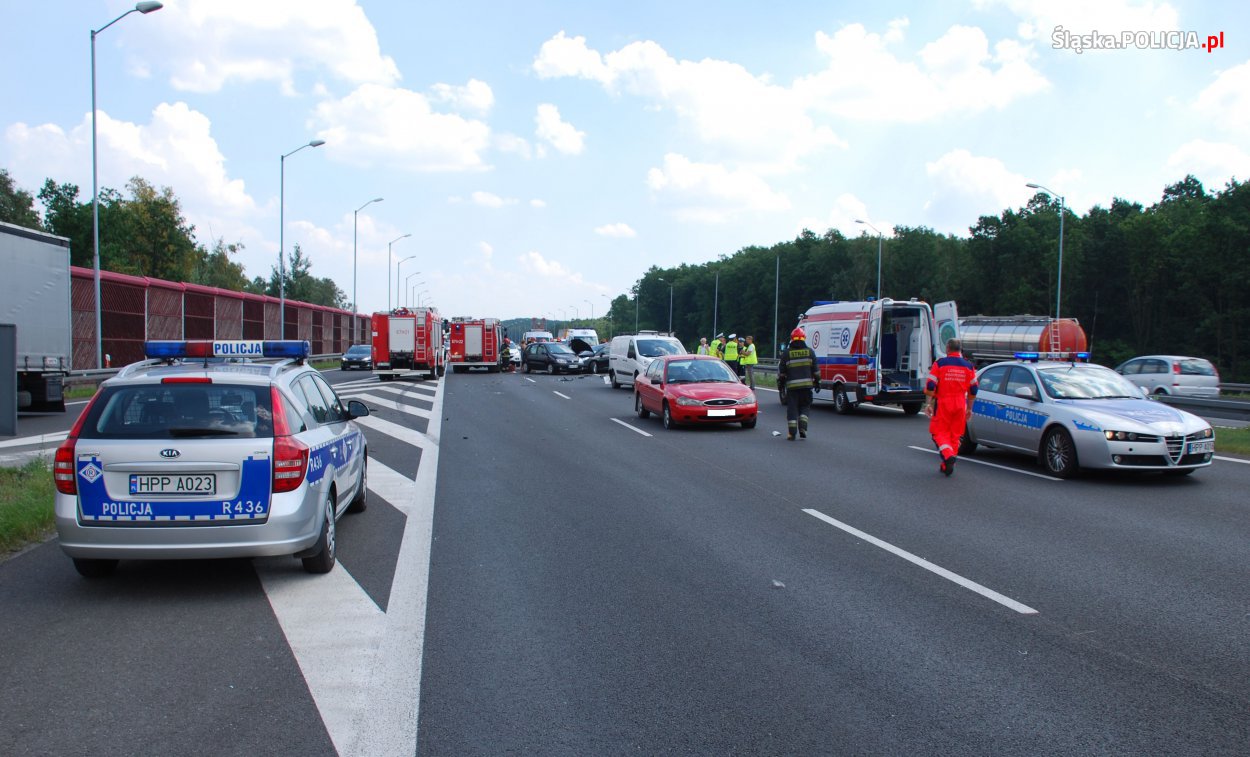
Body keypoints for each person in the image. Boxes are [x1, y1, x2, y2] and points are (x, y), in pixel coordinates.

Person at [925, 337, 979, 477]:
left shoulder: (940, 364)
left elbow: (931, 385)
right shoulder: (968, 366)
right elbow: (973, 389)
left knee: (938, 433)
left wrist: (928, 403)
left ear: (947, 348)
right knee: (955, 435)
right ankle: (948, 464)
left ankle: (948, 456)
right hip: (960, 403)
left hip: (944, 403)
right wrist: (969, 408)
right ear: (960, 350)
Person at [778, 327, 816, 440]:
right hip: (807, 387)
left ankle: (792, 433)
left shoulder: (787, 353)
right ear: (804, 338)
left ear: (792, 339)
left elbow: (782, 373)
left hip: (792, 388)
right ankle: (803, 428)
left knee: (792, 409)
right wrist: (818, 382)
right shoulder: (810, 352)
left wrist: (781, 384)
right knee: (805, 406)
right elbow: (816, 371)